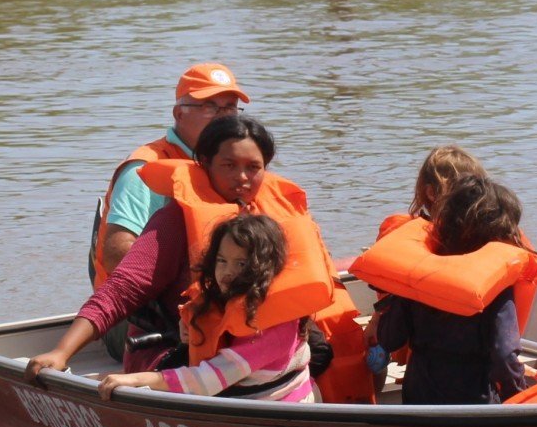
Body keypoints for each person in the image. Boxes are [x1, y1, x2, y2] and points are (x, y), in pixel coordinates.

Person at [28, 115, 375, 402]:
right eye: (229, 165)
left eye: (253, 167)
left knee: (323, 350)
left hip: (261, 352)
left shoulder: (278, 218)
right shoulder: (175, 221)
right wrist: (61, 353)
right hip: (178, 353)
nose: (242, 178)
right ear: (204, 163)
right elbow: (122, 290)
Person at [84, 63, 247, 360]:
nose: (223, 118)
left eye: (230, 109)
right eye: (210, 107)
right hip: (131, 317)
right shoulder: (144, 169)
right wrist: (189, 305)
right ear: (179, 113)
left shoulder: (233, 165)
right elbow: (116, 252)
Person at [96, 214, 319, 403]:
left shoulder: (274, 325)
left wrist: (137, 379)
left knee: (136, 380)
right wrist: (191, 329)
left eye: (241, 264)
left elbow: (206, 381)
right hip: (239, 392)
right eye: (222, 261)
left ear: (264, 268)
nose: (227, 272)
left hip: (278, 409)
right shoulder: (227, 299)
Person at [360, 176, 537, 405]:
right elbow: (504, 356)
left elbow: (390, 338)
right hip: (472, 402)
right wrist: (517, 399)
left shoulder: (419, 274)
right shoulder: (494, 286)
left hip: (419, 397)